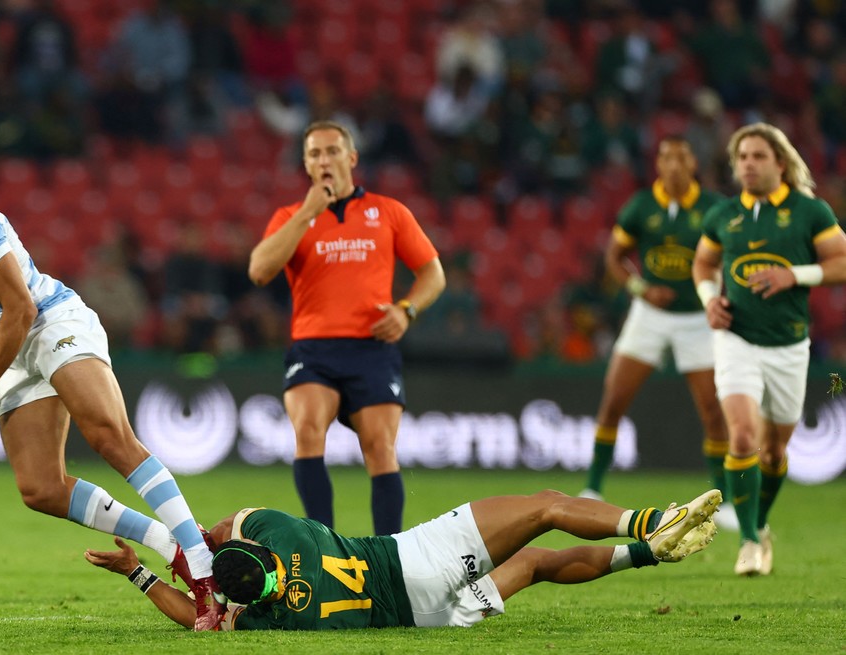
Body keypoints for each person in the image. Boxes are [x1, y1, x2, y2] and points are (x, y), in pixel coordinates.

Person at [0, 134, 223, 630]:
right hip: (10, 345)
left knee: (108, 436)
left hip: (52, 321)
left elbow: (21, 307)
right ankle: (168, 542)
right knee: (41, 489)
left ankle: (203, 568)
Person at [86, 488, 722, 630]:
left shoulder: (263, 620)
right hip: (412, 558)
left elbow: (195, 618)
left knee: (532, 565)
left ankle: (648, 554)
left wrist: (141, 573)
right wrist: (196, 547)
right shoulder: (276, 529)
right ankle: (650, 525)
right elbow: (228, 530)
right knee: (545, 508)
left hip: (427, 617)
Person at [247, 120, 446, 536]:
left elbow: (433, 273)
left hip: (371, 346)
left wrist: (406, 310)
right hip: (313, 348)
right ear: (306, 165)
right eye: (315, 154)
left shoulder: (389, 212)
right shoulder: (290, 217)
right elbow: (260, 270)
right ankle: (323, 547)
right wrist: (308, 213)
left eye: (332, 151)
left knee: (380, 447)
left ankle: (388, 552)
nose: (324, 160)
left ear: (351, 158)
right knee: (308, 432)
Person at [692, 122, 846, 576]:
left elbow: (841, 262)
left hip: (789, 345)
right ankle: (747, 540)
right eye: (742, 157)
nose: (748, 165)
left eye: (758, 156)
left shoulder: (809, 211)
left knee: (775, 453)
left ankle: (760, 525)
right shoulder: (723, 215)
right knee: (742, 435)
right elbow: (703, 265)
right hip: (736, 338)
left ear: (780, 162)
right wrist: (709, 300)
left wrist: (794, 274)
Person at [579, 136, 737, 530]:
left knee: (713, 411)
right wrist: (641, 289)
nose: (674, 164)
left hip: (697, 319)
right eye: (666, 157)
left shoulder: (713, 207)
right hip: (648, 315)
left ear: (693, 164)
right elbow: (614, 257)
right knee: (614, 399)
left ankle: (724, 499)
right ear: (658, 165)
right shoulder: (641, 206)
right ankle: (593, 488)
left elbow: (733, 254)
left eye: (681, 157)